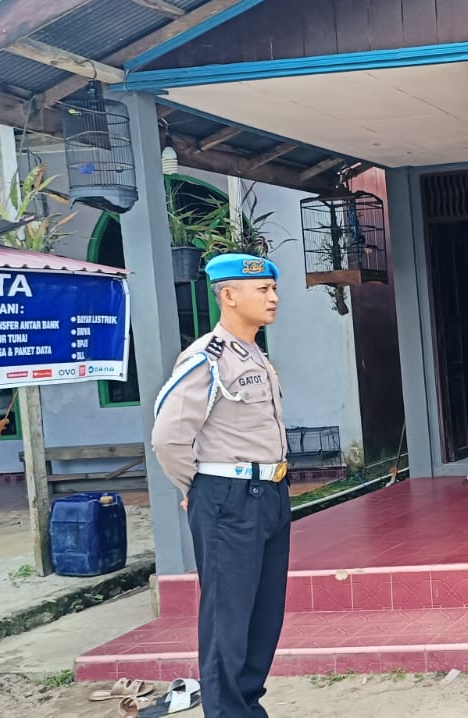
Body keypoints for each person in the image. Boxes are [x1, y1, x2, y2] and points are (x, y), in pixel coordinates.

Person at [152, 253, 291, 717]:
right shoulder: (206, 357)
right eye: (262, 290)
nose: (273, 298)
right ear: (228, 295)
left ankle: (246, 707)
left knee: (263, 616)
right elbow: (169, 436)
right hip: (229, 498)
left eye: (273, 289)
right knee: (227, 617)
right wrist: (196, 489)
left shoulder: (254, 354)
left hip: (269, 493)